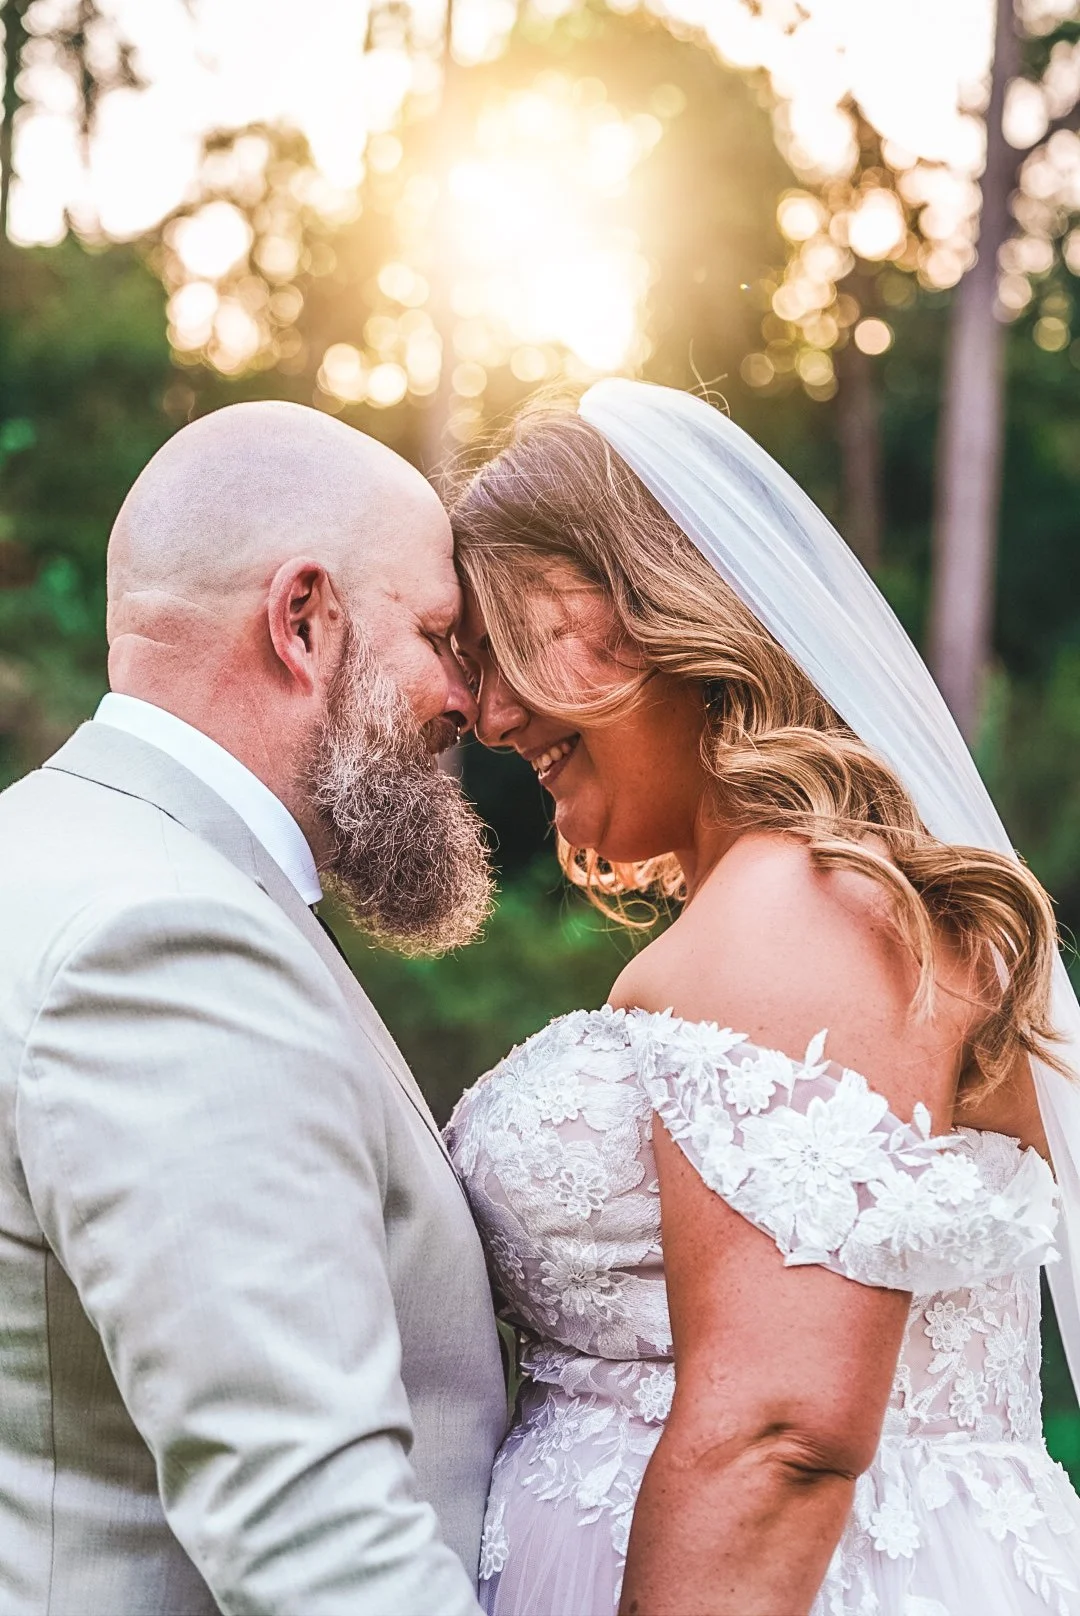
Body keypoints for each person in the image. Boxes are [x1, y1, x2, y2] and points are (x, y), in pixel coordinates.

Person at [446, 379, 1080, 1616]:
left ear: (632, 611)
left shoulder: (802, 902)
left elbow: (781, 1436)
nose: (487, 709)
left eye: (499, 642)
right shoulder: (805, 894)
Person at [0, 400, 506, 1615]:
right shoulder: (166, 936)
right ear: (304, 619)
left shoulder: (48, 848)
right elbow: (319, 1544)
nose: (470, 702)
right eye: (440, 635)